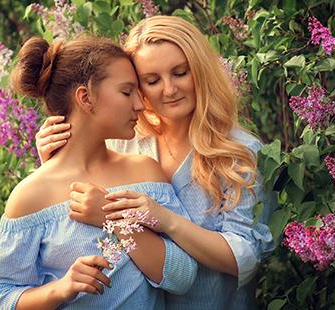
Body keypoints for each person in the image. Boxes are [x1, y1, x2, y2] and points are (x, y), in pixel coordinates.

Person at [36, 15, 276, 309]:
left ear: (199, 70)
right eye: (152, 81)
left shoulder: (239, 151)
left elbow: (245, 257)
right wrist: (55, 167)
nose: (169, 89)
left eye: (180, 73)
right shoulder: (122, 141)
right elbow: (84, 225)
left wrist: (166, 220)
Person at [0, 36, 198, 310]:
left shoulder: (145, 172)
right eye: (126, 92)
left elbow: (183, 277)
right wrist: (61, 289)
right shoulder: (29, 197)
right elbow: (2, 299)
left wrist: (113, 220)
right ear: (86, 98)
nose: (140, 105)